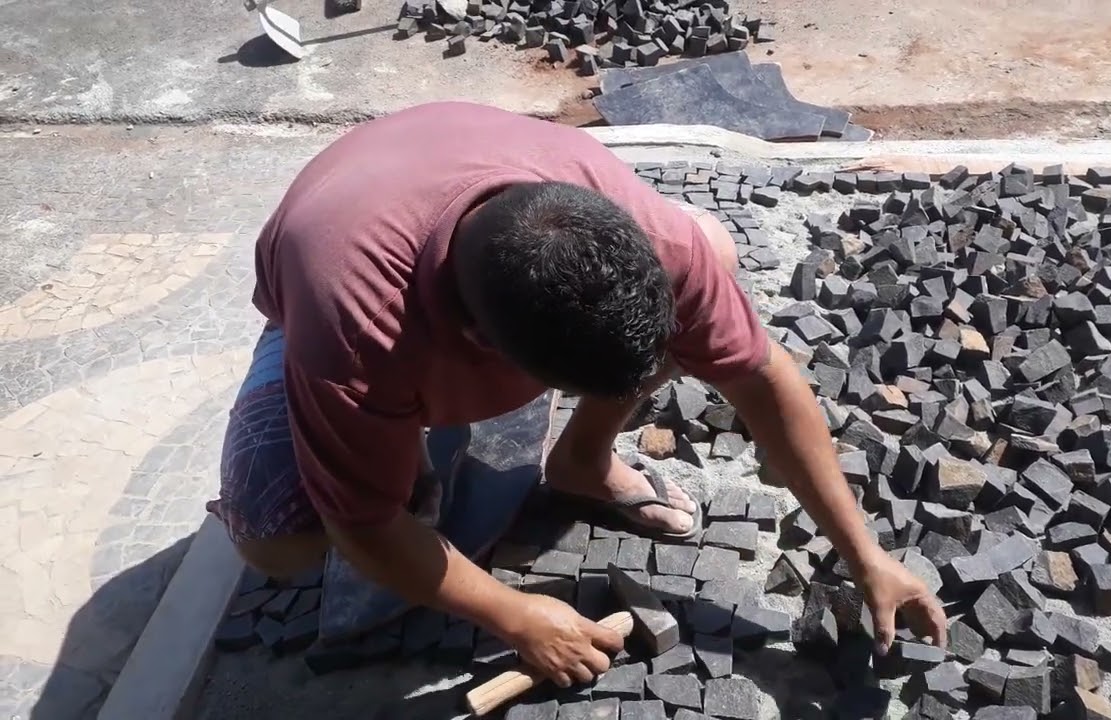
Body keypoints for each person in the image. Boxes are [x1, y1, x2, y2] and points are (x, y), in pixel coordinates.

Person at [207, 101, 945, 688]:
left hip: (462, 234)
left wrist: (864, 554)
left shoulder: (658, 243)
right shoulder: (355, 326)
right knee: (277, 541)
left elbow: (760, 376)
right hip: (325, 298)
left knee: (713, 246)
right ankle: (407, 437)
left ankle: (582, 462)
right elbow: (364, 525)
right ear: (486, 353)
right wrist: (516, 615)